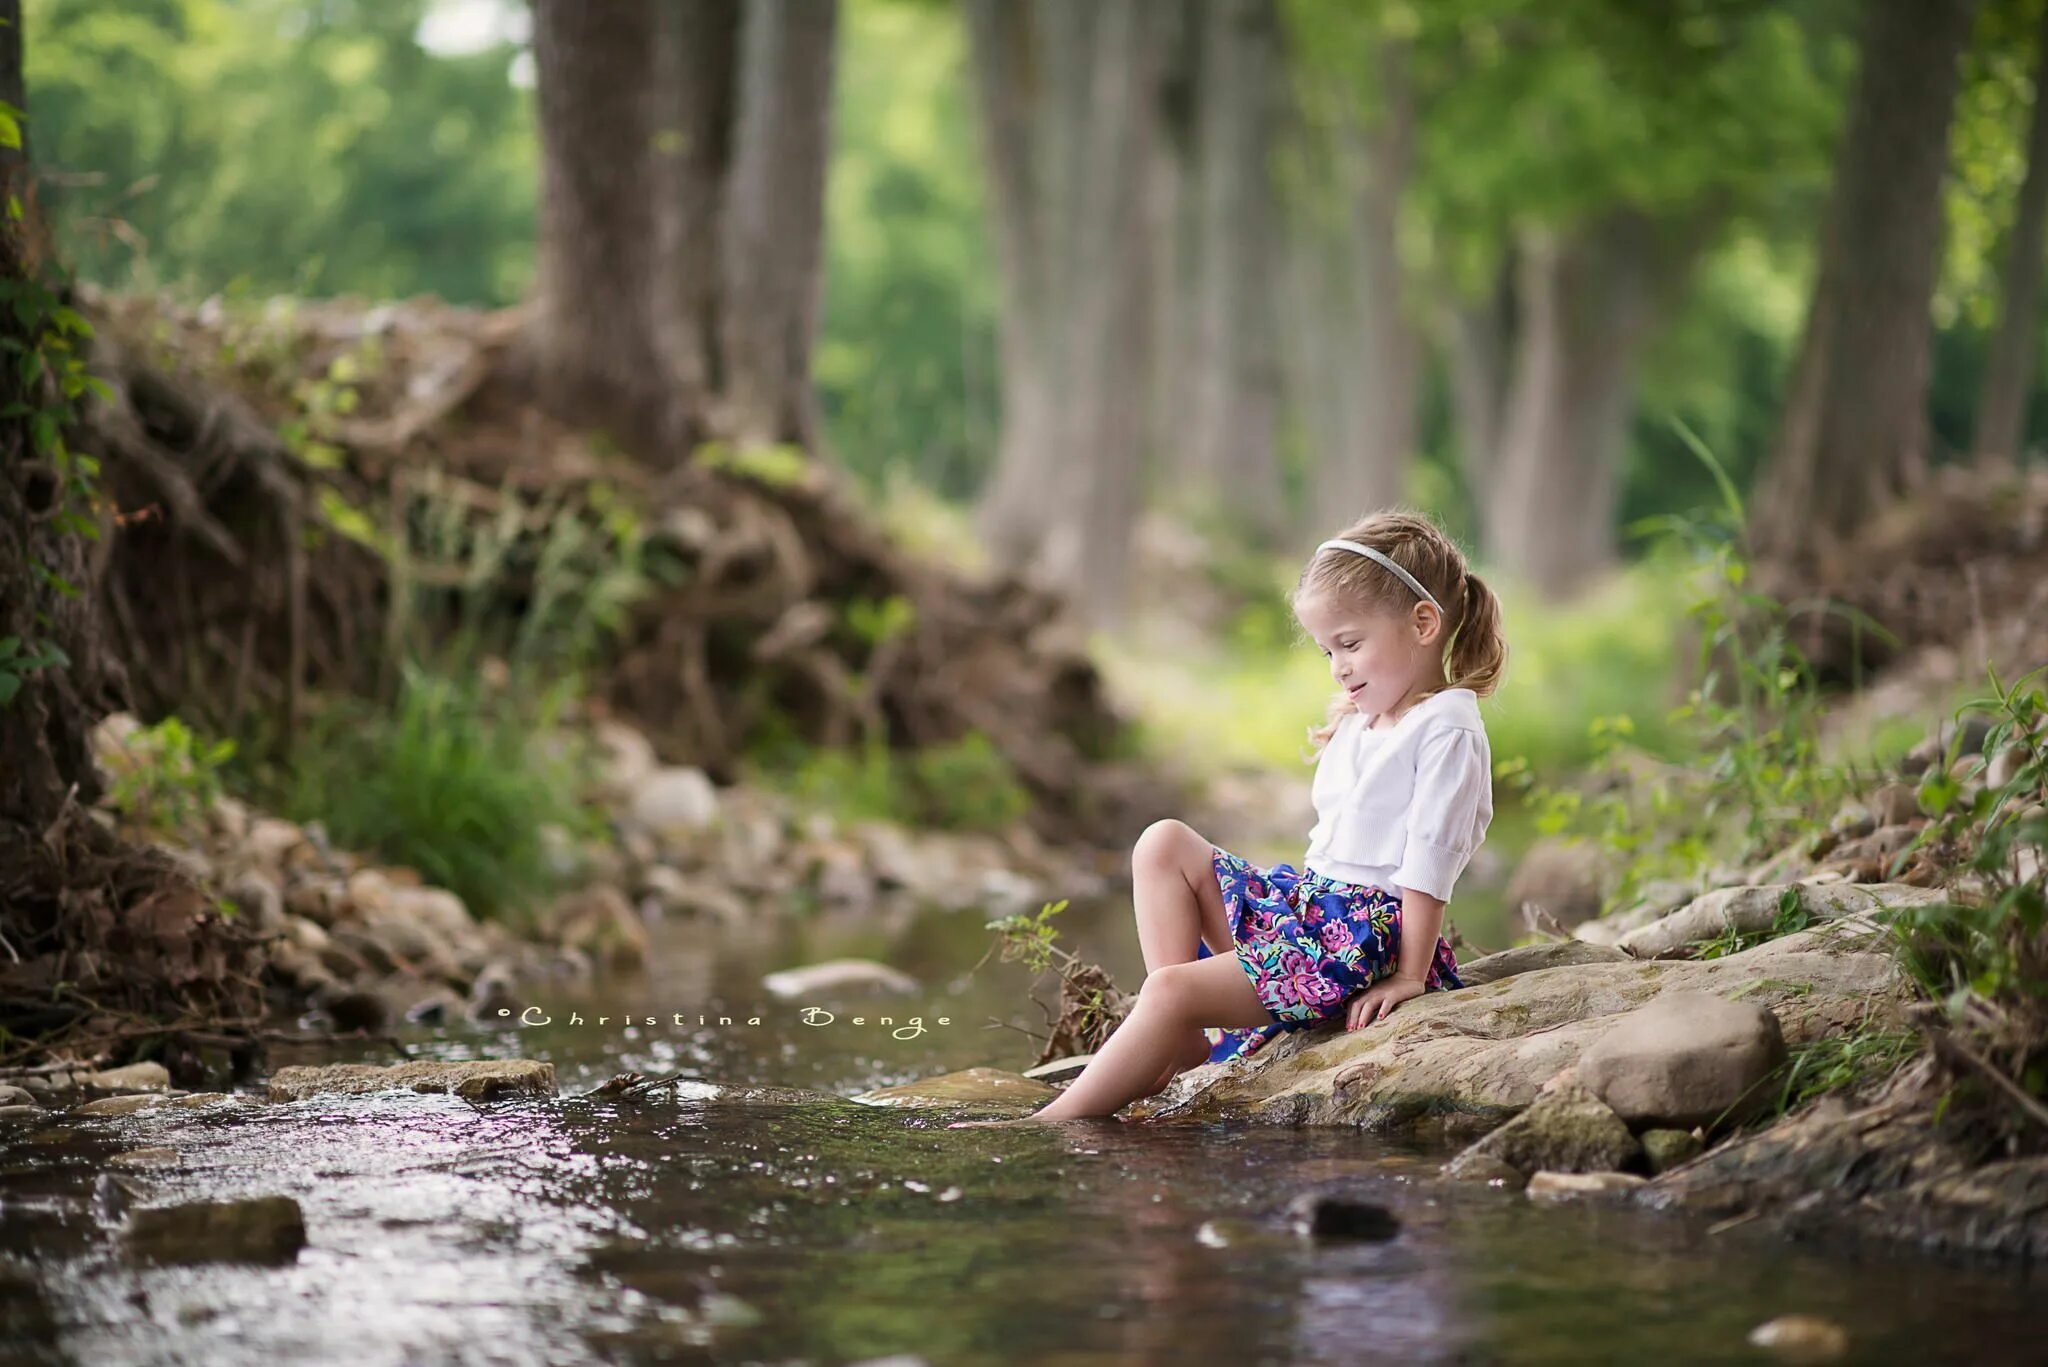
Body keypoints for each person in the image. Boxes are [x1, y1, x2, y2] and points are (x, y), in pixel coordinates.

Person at [949, 509, 1508, 1128]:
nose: (1338, 667)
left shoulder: (1446, 729)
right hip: (1313, 912)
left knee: (1167, 991)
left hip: (1364, 942)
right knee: (1163, 843)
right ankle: (1183, 1033)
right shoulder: (1368, 717)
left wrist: (1408, 974)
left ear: (1424, 624)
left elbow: (1428, 861)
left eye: (1350, 645)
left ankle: (1049, 1125)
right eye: (1327, 651)